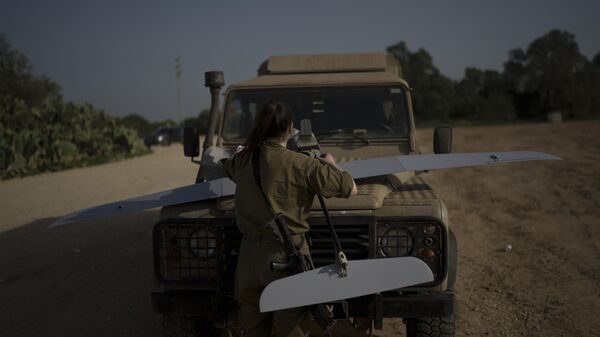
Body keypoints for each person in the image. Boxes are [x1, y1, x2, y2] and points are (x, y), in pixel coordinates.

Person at [224, 100, 357, 337]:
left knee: (252, 328)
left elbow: (230, 167)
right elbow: (350, 188)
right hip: (286, 259)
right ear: (290, 128)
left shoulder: (242, 162)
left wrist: (240, 153)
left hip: (248, 260)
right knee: (292, 329)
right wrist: (332, 165)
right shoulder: (302, 164)